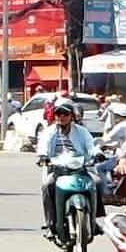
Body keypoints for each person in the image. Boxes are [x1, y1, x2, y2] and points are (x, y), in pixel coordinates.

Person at [36, 99, 100, 239]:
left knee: (97, 183)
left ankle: (94, 219)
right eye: (59, 113)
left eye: (65, 113)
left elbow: (91, 145)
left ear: (72, 116)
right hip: (57, 169)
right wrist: (43, 156)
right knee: (47, 187)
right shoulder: (50, 132)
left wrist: (97, 153)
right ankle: (51, 224)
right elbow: (43, 145)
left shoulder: (81, 131)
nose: (62, 117)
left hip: (80, 167)